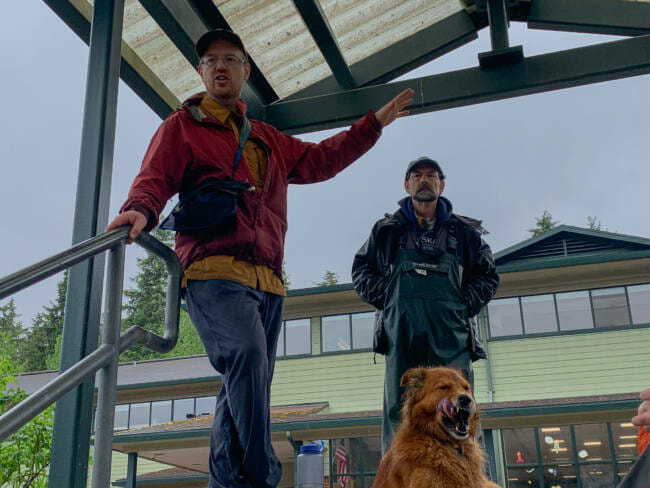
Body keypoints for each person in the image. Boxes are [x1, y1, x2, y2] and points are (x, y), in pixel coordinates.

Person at [105, 28, 413, 488]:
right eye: (211, 61)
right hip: (213, 273)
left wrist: (372, 126)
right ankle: (259, 477)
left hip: (267, 283)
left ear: (246, 70)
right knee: (246, 359)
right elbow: (154, 178)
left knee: (245, 384)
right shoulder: (182, 127)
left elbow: (322, 160)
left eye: (230, 58)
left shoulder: (267, 138)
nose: (221, 67)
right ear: (201, 71)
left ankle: (225, 482)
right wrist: (140, 209)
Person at [351, 156, 499, 454]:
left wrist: (462, 305)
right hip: (401, 336)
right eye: (416, 175)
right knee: (400, 413)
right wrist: (388, 298)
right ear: (407, 184)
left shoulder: (465, 234)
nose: (424, 179)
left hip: (451, 337)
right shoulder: (386, 231)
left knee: (459, 410)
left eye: (431, 175)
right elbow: (361, 271)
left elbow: (488, 276)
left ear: (441, 184)